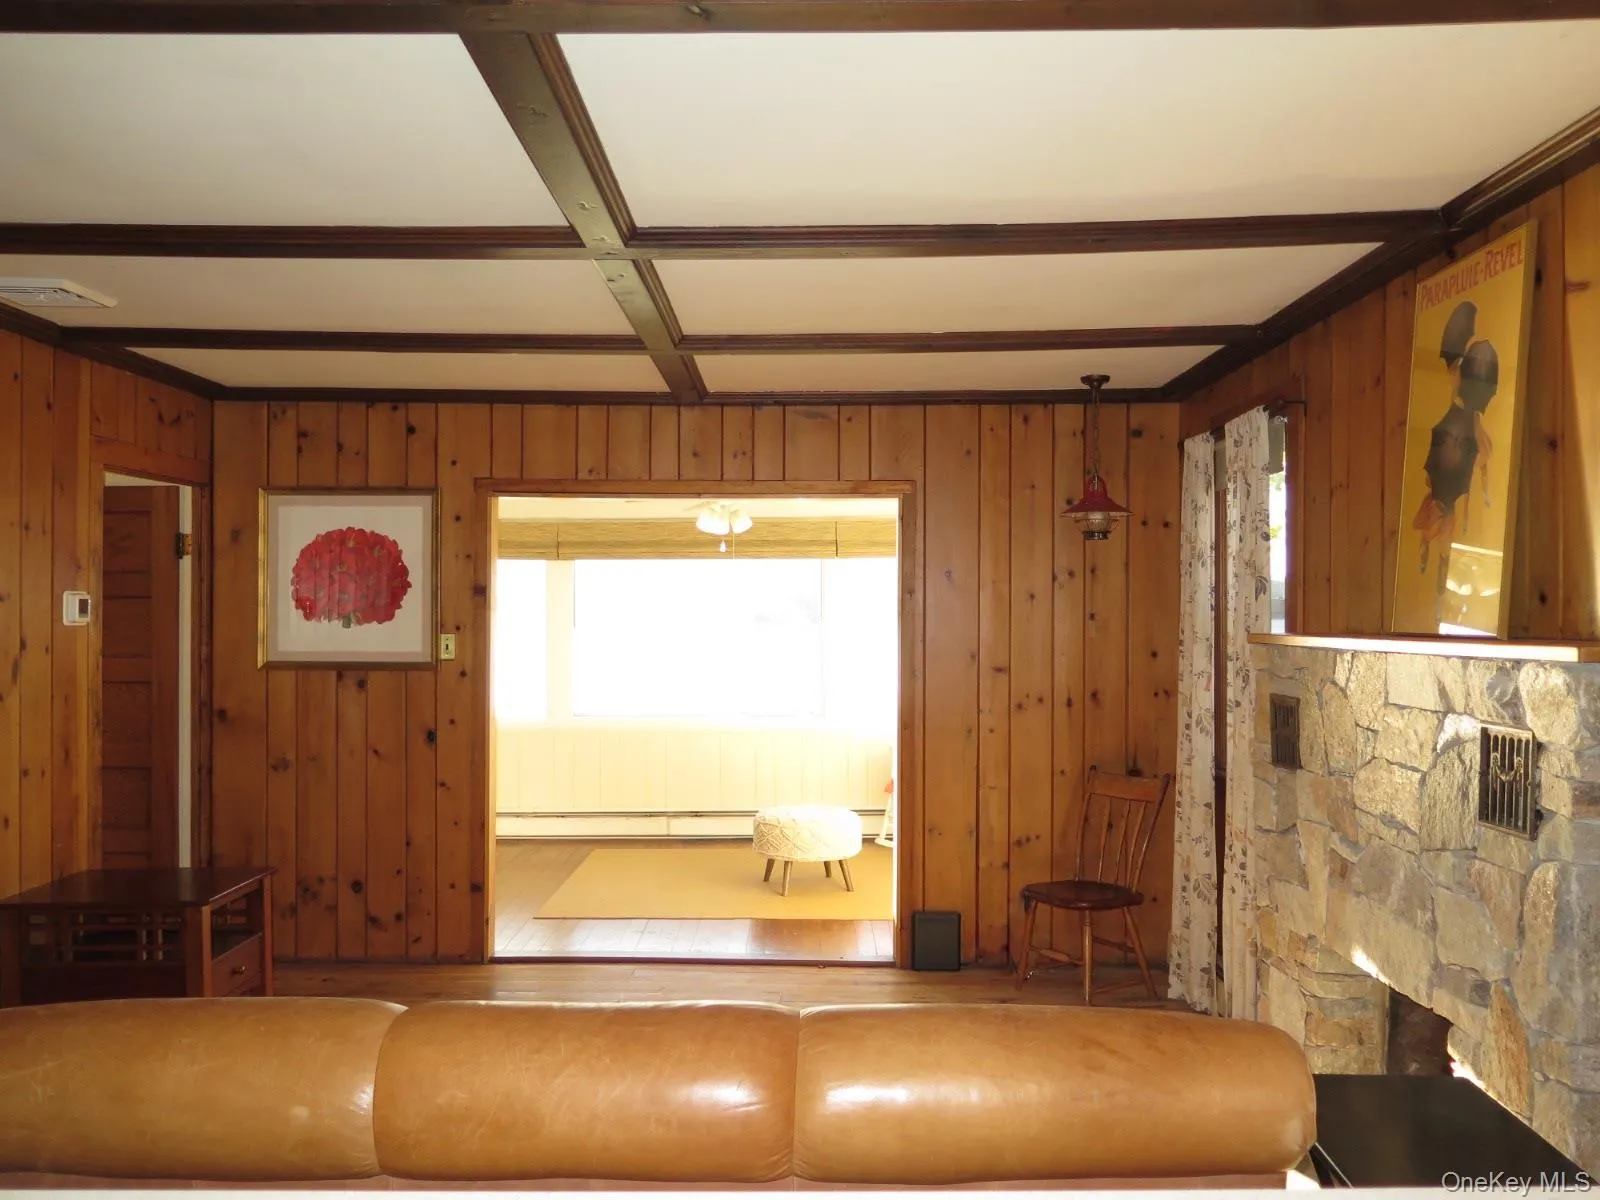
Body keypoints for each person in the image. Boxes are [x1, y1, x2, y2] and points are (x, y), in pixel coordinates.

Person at [1413, 306, 1499, 600]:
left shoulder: (1464, 383)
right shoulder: (1459, 375)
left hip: (1460, 430)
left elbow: (1481, 442)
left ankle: (1437, 573)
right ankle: (1434, 563)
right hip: (1455, 430)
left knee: (1444, 507)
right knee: (1441, 502)